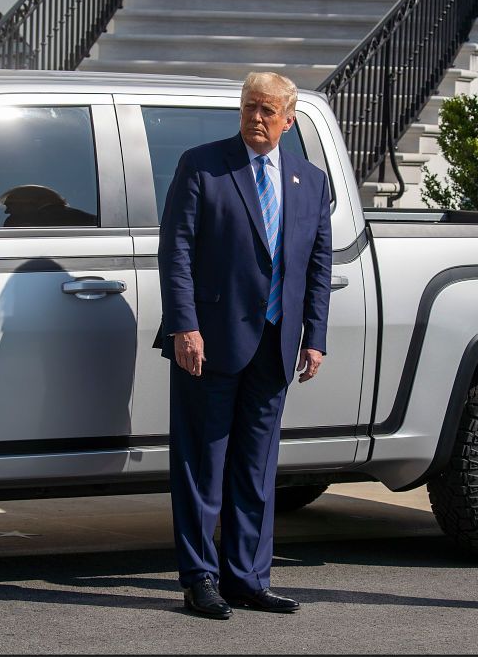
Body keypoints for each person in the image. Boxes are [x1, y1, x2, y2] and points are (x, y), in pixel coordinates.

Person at [156, 72, 332, 619]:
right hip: (207, 343)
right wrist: (185, 326)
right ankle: (199, 578)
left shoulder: (311, 180)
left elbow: (317, 265)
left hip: (277, 343)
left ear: (289, 119)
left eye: (267, 111)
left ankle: (248, 578)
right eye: (249, 108)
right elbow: (175, 251)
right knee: (202, 464)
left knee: (256, 469)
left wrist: (315, 337)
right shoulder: (203, 165)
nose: (256, 118)